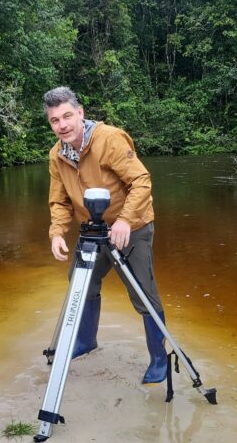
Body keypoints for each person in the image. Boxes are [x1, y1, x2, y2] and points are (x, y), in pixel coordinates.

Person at [44, 86, 167, 384]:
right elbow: (59, 200)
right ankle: (86, 341)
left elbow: (141, 182)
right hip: (92, 230)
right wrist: (57, 233)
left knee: (143, 293)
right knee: (80, 283)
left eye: (68, 116)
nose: (63, 125)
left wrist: (125, 220)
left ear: (81, 113)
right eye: (55, 120)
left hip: (131, 227)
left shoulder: (109, 139)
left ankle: (159, 358)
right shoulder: (56, 155)